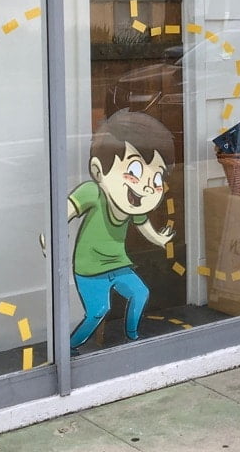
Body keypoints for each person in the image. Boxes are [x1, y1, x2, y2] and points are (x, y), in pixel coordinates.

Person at [68, 109, 175, 349]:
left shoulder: (133, 208)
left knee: (140, 293)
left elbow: (144, 225)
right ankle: (68, 347)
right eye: (135, 171)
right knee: (98, 311)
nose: (148, 187)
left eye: (156, 179)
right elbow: (65, 211)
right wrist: (49, 235)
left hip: (118, 265)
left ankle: (133, 335)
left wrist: (158, 238)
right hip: (89, 269)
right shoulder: (93, 193)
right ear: (98, 171)